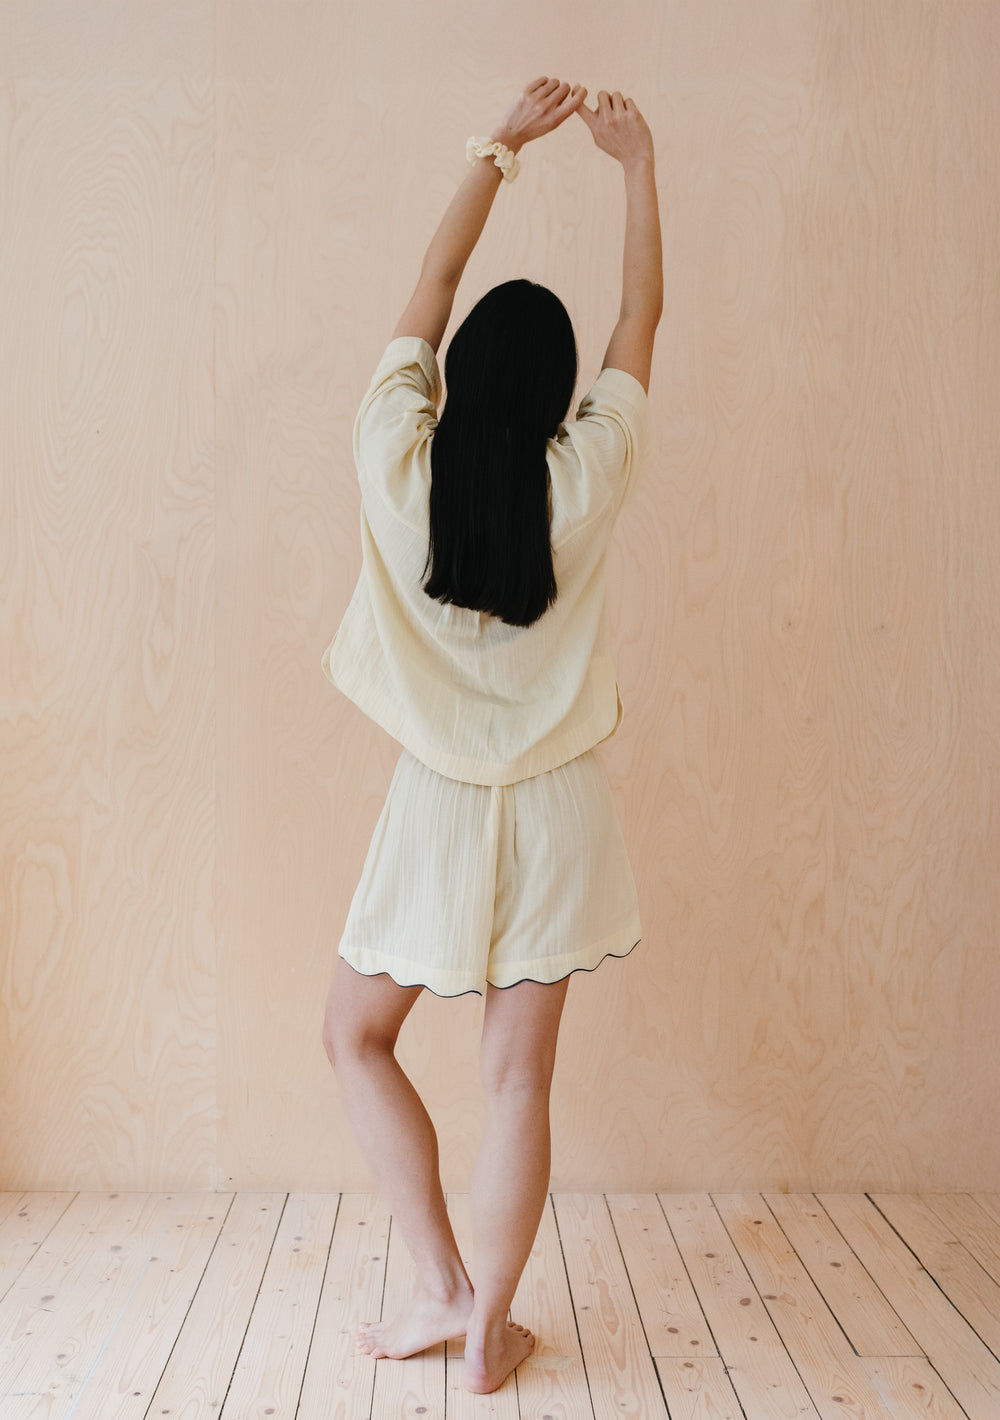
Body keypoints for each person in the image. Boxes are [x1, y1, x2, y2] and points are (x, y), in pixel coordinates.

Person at [321, 76, 662, 1396]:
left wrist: (501, 149)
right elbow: (641, 320)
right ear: (561, 396)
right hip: (560, 808)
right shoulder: (586, 476)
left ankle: (443, 1290)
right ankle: (485, 1331)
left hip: (437, 805)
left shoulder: (393, 461)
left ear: (457, 376)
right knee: (518, 1082)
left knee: (356, 1036)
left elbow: (432, 278)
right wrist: (636, 167)